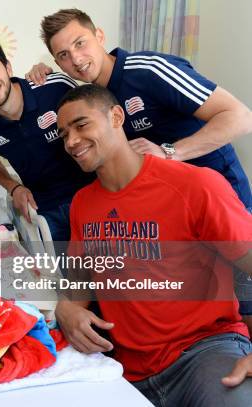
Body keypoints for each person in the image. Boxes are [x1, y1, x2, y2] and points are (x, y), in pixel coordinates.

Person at [27, 6, 252, 333]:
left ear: (100, 36)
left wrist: (170, 152)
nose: (75, 59)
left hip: (222, 204)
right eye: (63, 55)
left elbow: (239, 116)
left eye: (80, 44)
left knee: (243, 311)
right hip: (173, 222)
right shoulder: (92, 98)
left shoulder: (147, 70)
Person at [55, 83, 252, 405]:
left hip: (202, 353)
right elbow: (80, 285)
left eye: (81, 125)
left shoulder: (195, 186)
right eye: (64, 134)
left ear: (117, 116)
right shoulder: (82, 204)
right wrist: (67, 308)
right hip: (125, 370)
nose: (72, 141)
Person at [0, 36, 94, 242]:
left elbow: (96, 120)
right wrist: (14, 187)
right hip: (47, 211)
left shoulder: (55, 87)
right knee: (70, 272)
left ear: (8, 68)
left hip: (93, 193)